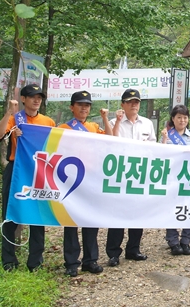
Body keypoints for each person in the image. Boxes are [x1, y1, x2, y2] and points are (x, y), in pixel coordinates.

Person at [0, 84, 55, 272]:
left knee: (37, 215)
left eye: (39, 97)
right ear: (23, 99)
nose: (36, 100)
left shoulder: (48, 122)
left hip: (39, 171)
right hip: (17, 170)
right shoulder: (15, 119)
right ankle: (9, 260)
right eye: (32, 97)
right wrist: (9, 113)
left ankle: (35, 261)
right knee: (10, 214)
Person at [59, 91, 113, 276]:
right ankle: (71, 262)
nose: (84, 108)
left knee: (90, 219)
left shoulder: (93, 127)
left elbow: (110, 139)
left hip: (92, 178)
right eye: (80, 104)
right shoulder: (63, 128)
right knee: (71, 221)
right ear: (71, 107)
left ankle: (90, 260)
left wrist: (105, 118)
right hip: (71, 179)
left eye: (87, 105)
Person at [106, 88, 156, 266]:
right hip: (120, 173)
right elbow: (109, 144)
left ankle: (133, 249)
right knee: (117, 213)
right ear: (123, 104)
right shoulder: (113, 122)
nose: (133, 105)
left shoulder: (147, 123)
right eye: (130, 102)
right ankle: (113, 253)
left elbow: (154, 146)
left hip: (140, 173)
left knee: (138, 212)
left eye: (136, 102)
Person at [161, 104, 190, 256]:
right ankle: (173, 241)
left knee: (189, 208)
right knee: (172, 208)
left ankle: (186, 240)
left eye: (185, 117)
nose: (182, 120)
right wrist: (164, 139)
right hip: (172, 177)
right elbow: (160, 154)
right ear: (173, 119)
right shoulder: (167, 135)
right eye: (179, 117)